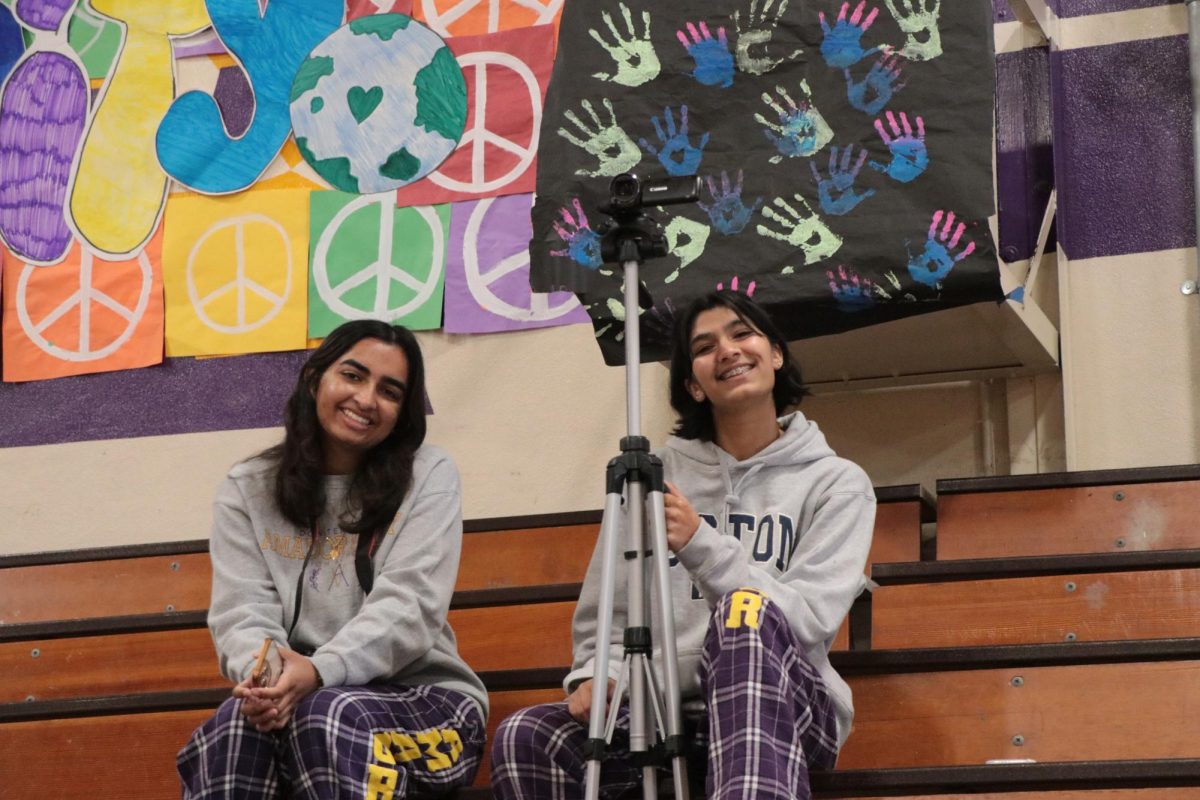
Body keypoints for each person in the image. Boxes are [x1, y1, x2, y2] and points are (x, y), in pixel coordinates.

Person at [490, 291, 875, 799]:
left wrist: (701, 545)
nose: (729, 350)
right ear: (694, 385)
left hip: (788, 708)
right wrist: (596, 675)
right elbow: (605, 616)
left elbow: (807, 624)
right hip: (660, 709)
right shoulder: (649, 481)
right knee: (527, 736)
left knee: (746, 615)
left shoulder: (837, 483)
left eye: (742, 334)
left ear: (775, 354)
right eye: (706, 345)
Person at [177, 320, 487, 800]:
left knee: (329, 715)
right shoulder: (248, 487)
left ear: (402, 412)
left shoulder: (429, 475)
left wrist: (321, 671)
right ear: (314, 378)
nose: (366, 400)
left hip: (432, 708)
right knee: (234, 730)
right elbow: (242, 612)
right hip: (305, 703)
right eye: (353, 375)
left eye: (390, 391)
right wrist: (268, 685)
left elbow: (411, 607)